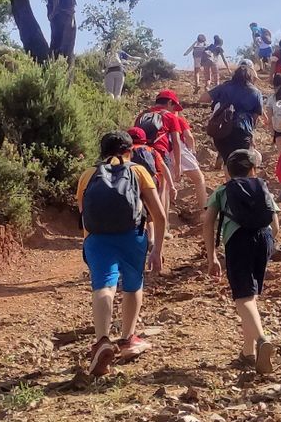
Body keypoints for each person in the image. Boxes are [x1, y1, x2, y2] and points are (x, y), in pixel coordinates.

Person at [77, 131, 168, 376]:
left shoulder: (88, 174)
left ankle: (102, 340)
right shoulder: (138, 171)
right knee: (132, 285)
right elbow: (158, 215)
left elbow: (84, 214)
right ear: (129, 151)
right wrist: (157, 248)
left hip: (97, 239)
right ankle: (128, 338)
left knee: (104, 286)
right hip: (132, 236)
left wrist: (89, 244)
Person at [205, 147, 279, 374]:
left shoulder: (221, 191)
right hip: (264, 238)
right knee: (251, 296)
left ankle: (261, 340)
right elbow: (276, 225)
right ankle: (248, 353)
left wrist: (212, 256)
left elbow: (207, 223)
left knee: (243, 298)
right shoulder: (262, 187)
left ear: (226, 171)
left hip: (238, 241)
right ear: (253, 169)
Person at [135, 88, 207, 219]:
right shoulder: (170, 117)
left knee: (146, 189)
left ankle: (146, 223)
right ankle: (166, 225)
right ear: (169, 103)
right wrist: (178, 164)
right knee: (164, 189)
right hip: (161, 154)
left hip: (142, 153)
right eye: (174, 106)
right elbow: (176, 141)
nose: (175, 110)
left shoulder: (142, 116)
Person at [207, 60, 265, 165]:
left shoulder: (225, 86)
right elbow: (255, 116)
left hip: (222, 128)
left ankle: (230, 180)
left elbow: (203, 98)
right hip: (242, 129)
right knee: (241, 163)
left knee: (228, 161)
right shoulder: (256, 92)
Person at [127, 125, 174, 209]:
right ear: (144, 141)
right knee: (151, 214)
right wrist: (171, 186)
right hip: (150, 182)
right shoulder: (151, 150)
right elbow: (163, 167)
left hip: (131, 183)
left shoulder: (125, 152)